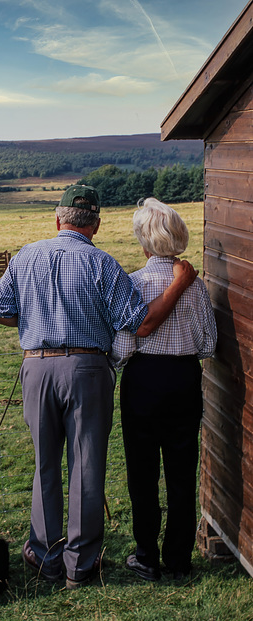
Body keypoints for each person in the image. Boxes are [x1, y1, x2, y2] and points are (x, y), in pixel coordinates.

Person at [0, 185, 198, 590]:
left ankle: (46, 557)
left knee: (44, 463)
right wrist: (179, 283)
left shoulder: (25, 256)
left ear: (57, 218)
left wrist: (34, 324)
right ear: (97, 225)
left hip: (37, 366)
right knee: (86, 466)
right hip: (87, 368)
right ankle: (79, 565)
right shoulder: (103, 264)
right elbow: (139, 322)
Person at [110, 197, 217, 582]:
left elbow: (121, 351)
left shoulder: (133, 285)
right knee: (182, 472)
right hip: (184, 381)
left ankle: (145, 556)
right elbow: (208, 345)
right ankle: (178, 561)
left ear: (144, 241)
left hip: (142, 383)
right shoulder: (196, 286)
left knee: (142, 473)